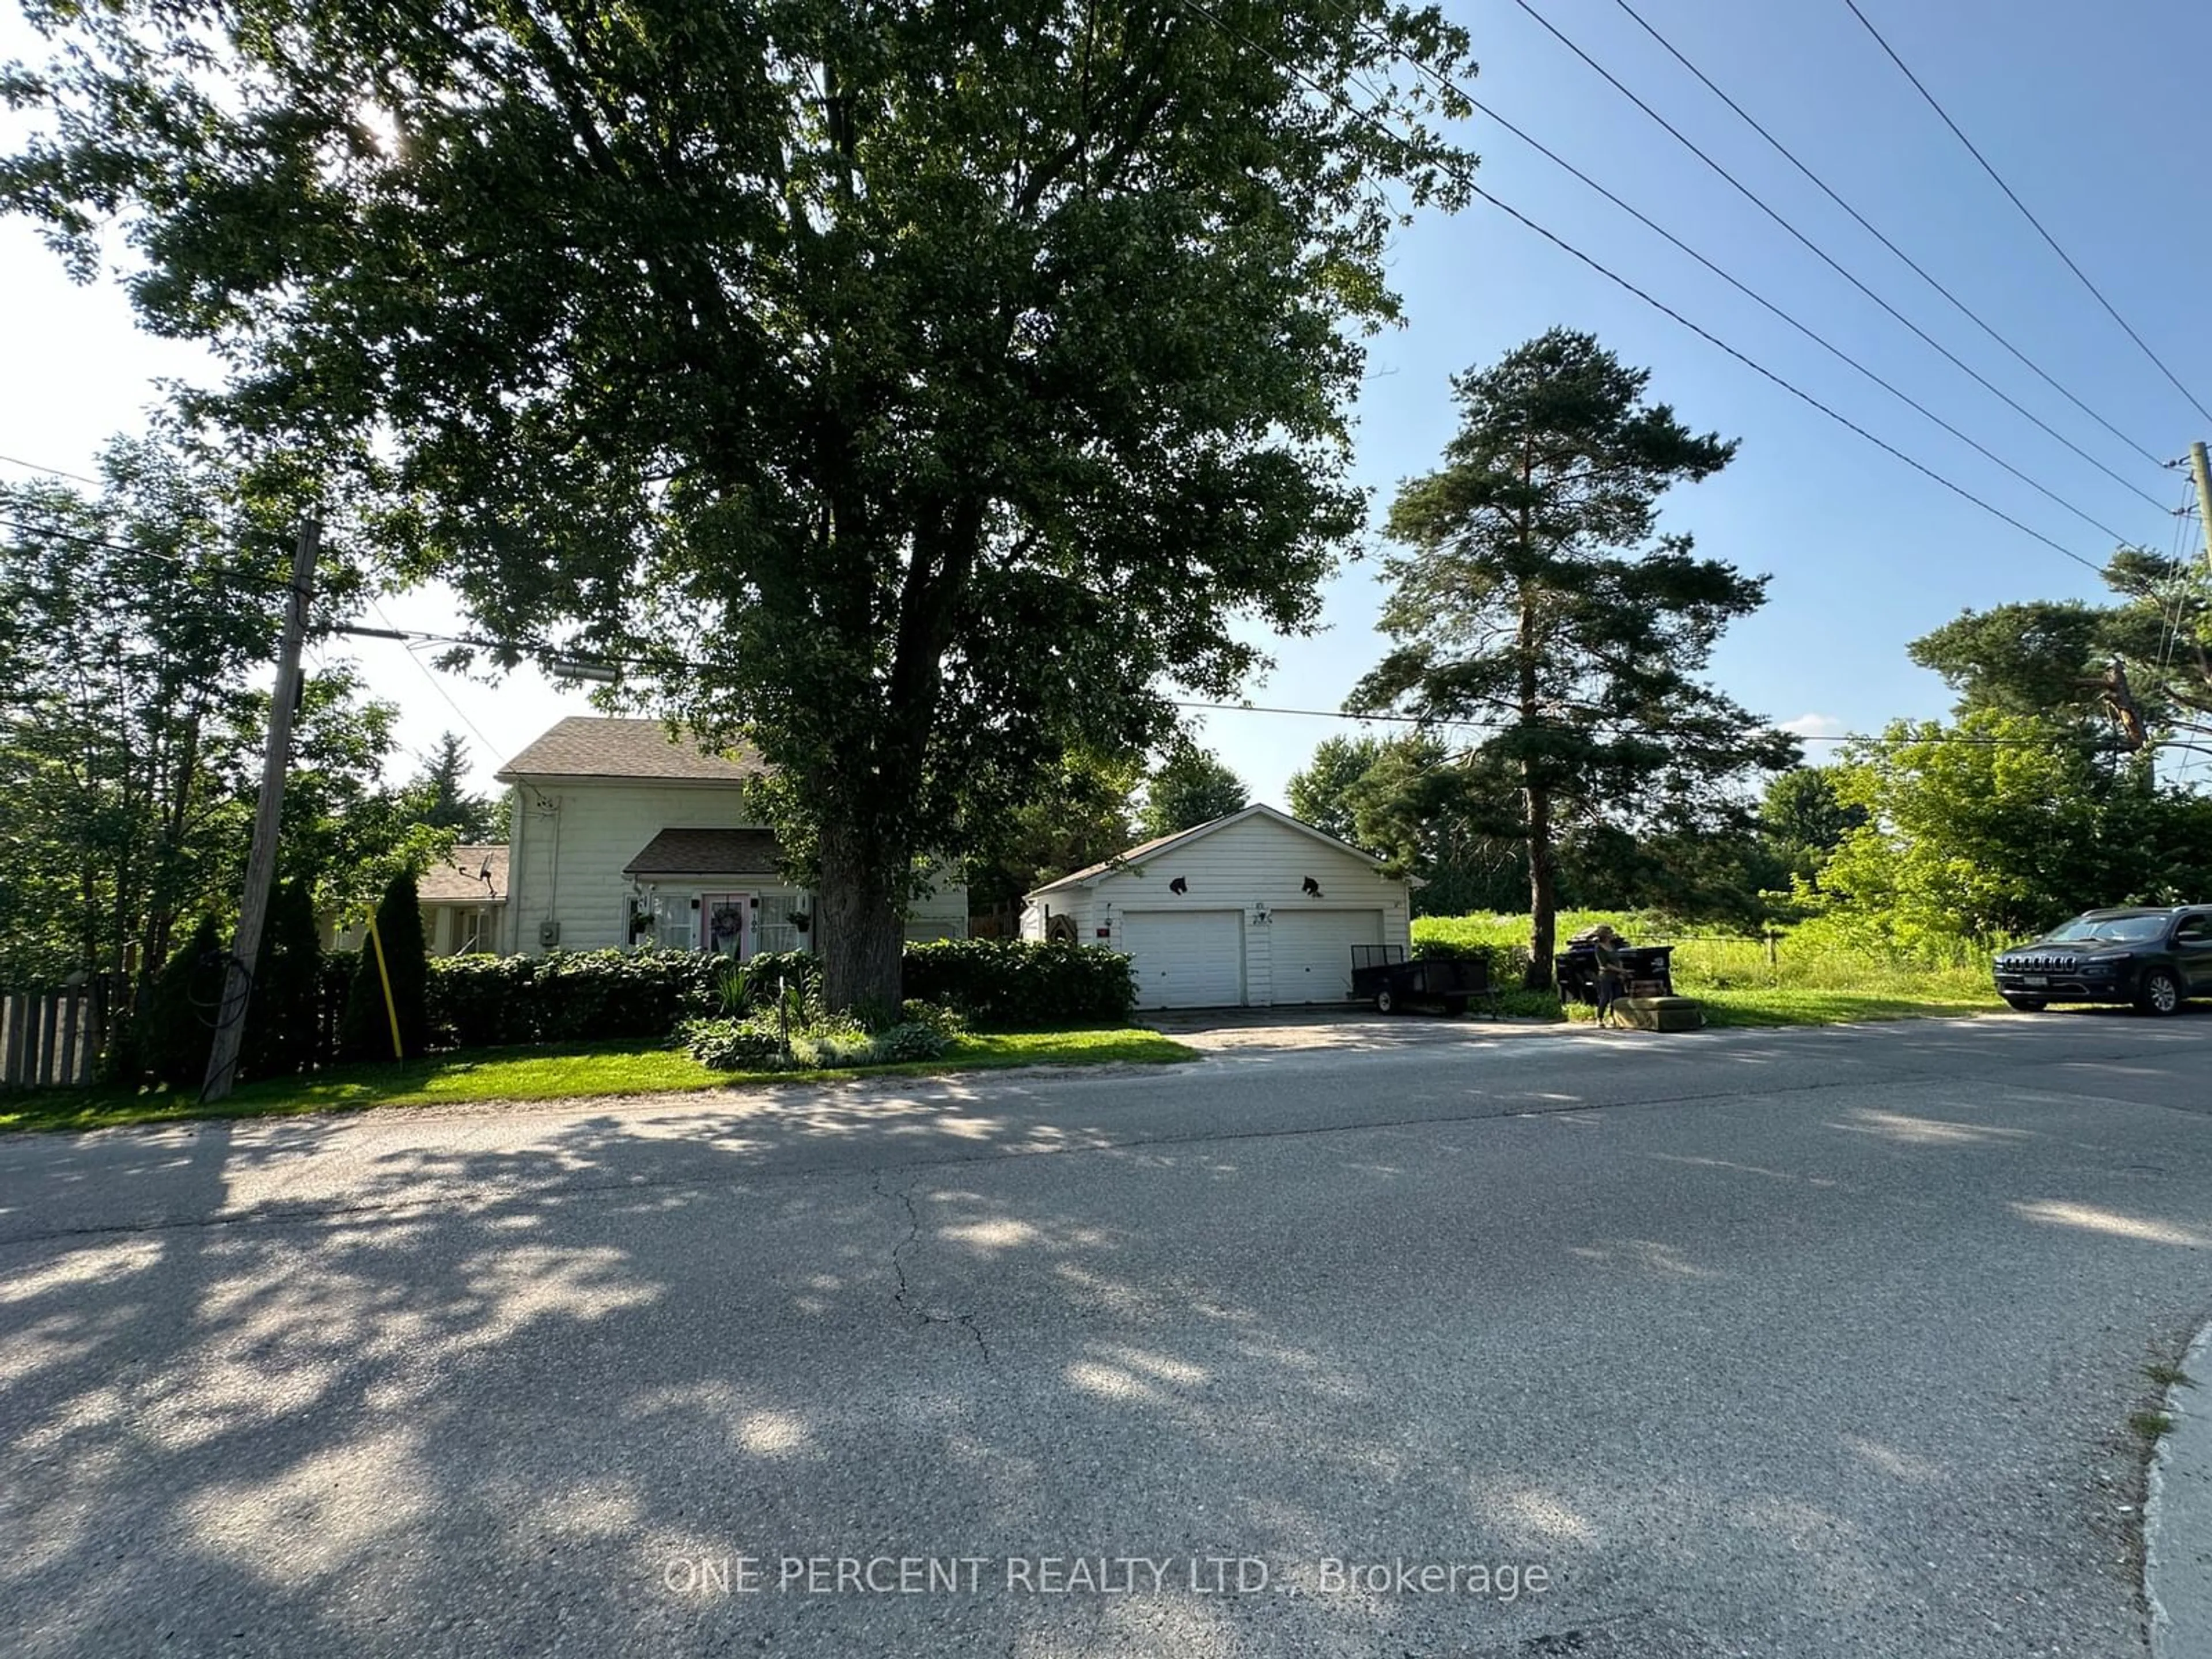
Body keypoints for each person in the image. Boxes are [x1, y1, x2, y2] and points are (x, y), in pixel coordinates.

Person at [1591, 925, 1628, 1028]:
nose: (1612, 935)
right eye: (1610, 933)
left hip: (1617, 975)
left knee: (1616, 997)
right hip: (1606, 975)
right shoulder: (1599, 948)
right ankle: (1599, 1018)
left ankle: (1613, 1017)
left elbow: (1618, 959)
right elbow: (1605, 964)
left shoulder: (1613, 946)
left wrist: (1621, 972)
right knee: (1605, 997)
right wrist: (1620, 970)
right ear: (1605, 935)